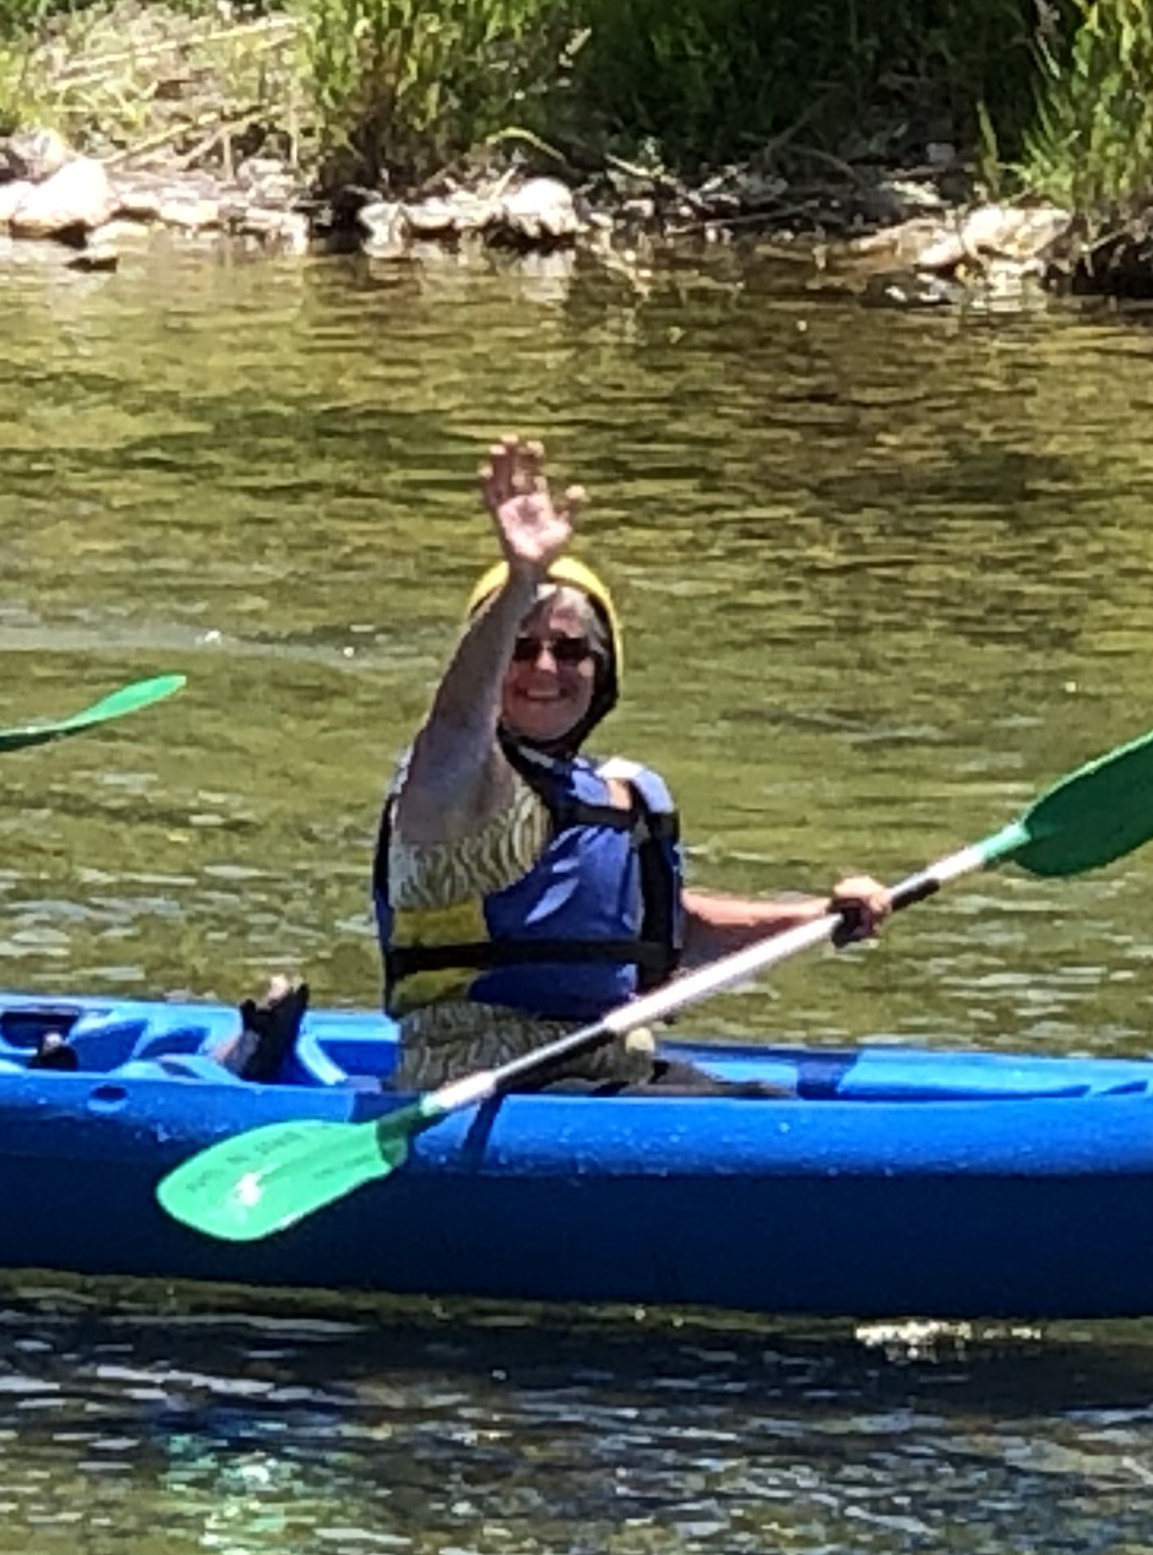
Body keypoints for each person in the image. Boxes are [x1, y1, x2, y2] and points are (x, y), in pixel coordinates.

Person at [371, 437, 889, 1095]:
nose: (545, 670)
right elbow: (452, 727)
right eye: (521, 649)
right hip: (480, 1081)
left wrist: (819, 916)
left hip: (610, 1069)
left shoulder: (611, 790)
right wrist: (522, 581)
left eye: (570, 650)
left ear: (603, 670)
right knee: (758, 1114)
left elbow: (665, 929)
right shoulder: (456, 790)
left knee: (772, 1104)